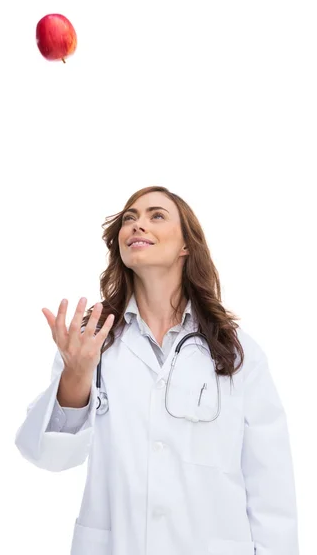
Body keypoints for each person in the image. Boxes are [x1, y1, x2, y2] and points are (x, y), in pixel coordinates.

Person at [15, 185, 299, 555]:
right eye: (129, 219)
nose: (137, 225)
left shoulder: (237, 351)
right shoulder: (91, 340)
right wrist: (77, 373)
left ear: (186, 246)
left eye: (156, 216)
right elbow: (51, 457)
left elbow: (270, 485)